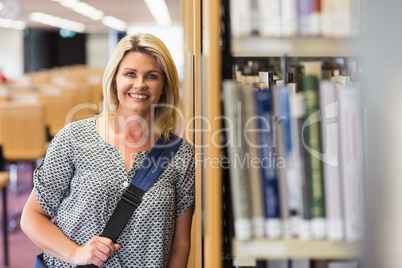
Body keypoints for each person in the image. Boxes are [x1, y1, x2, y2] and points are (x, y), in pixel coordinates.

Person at [21, 33, 195, 267]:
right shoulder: (74, 137)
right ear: (114, 79)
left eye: (152, 76)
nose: (140, 84)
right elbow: (32, 216)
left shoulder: (181, 154)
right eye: (130, 74)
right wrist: (75, 253)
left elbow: (180, 244)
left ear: (164, 86)